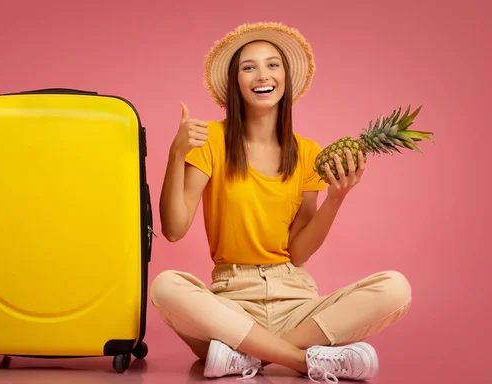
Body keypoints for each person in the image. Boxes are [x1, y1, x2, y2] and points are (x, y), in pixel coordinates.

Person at [150, 22, 412, 383]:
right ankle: (303, 361)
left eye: (273, 64)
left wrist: (336, 198)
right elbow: (174, 229)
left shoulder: (307, 153)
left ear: (286, 78)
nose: (263, 74)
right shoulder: (210, 139)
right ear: (235, 82)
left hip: (296, 301)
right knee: (165, 286)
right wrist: (176, 154)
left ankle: (243, 356)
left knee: (395, 287)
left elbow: (299, 252)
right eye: (249, 66)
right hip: (230, 303)